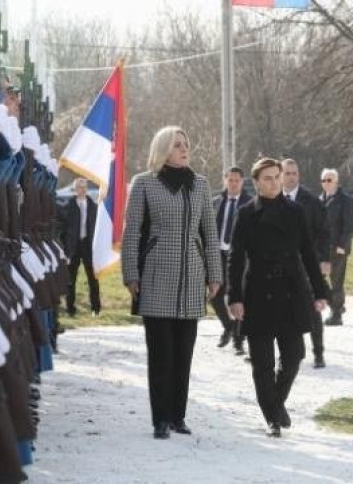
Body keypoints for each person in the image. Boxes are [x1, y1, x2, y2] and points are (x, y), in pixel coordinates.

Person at [121, 126, 222, 440]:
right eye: (177, 144)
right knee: (160, 353)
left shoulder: (201, 185)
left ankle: (178, 416)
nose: (184, 149)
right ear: (163, 148)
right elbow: (132, 232)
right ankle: (160, 419)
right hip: (155, 276)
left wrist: (215, 274)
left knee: (184, 352)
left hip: (192, 277)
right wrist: (130, 273)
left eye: (186, 144)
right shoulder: (144, 184)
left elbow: (210, 234)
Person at [228, 158, 329, 438]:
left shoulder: (295, 212)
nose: (275, 182)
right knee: (262, 364)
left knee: (295, 354)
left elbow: (308, 253)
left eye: (277, 176)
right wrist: (234, 297)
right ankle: (273, 416)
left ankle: (276, 403)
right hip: (258, 294)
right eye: (268, 178)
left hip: (290, 292)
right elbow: (236, 259)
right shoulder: (246, 214)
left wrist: (319, 292)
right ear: (257, 182)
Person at [281, 158, 331, 368]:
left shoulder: (310, 201)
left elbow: (324, 232)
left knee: (313, 309)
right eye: (288, 173)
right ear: (281, 175)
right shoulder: (273, 199)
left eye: (295, 173)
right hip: (282, 266)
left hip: (308, 265)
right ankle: (291, 353)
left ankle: (318, 352)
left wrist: (325, 260)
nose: (292, 176)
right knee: (284, 311)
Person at [211, 167, 252, 355]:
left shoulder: (250, 203)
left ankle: (238, 340)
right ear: (225, 180)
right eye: (230, 179)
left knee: (239, 298)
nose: (233, 183)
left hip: (239, 257)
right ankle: (228, 326)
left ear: (242, 182)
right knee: (214, 295)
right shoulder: (216, 202)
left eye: (237, 180)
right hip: (218, 255)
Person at [320, 168, 353, 327]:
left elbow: (350, 225)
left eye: (329, 180)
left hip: (337, 247)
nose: (326, 183)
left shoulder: (345, 200)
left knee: (336, 280)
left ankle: (336, 313)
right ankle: (336, 305)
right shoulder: (320, 199)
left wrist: (343, 244)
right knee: (317, 278)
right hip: (322, 247)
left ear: (336, 181)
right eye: (324, 180)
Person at [63, 178, 100, 317]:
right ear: (75, 189)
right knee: (71, 280)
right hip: (73, 247)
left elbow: (98, 228)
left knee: (93, 279)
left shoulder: (93, 206)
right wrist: (65, 250)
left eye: (84, 187)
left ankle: (95, 309)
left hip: (88, 246)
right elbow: (64, 230)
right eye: (79, 187)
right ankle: (70, 309)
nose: (82, 189)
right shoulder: (69, 206)